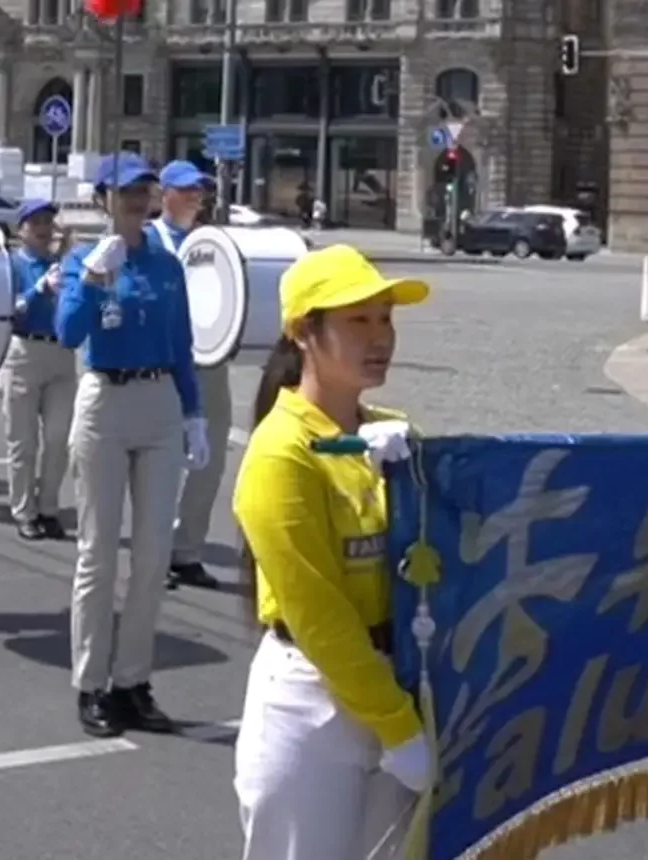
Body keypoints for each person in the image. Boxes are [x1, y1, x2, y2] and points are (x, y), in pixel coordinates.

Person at [232, 245, 433, 859]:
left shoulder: (390, 435)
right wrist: (399, 728)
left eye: (385, 319)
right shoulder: (279, 454)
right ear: (303, 333)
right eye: (358, 321)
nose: (380, 338)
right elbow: (320, 616)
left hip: (396, 677)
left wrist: (424, 475)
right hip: (311, 702)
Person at [57, 154, 211, 737]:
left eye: (142, 192)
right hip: (105, 402)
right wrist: (94, 281)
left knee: (150, 557)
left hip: (158, 401)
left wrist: (193, 411)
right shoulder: (84, 259)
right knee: (97, 554)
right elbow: (70, 332)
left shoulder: (165, 264)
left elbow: (180, 342)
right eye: (122, 193)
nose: (134, 201)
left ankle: (133, 680)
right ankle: (91, 682)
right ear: (102, 200)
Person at [155, 160, 229, 589]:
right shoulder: (151, 240)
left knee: (209, 461)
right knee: (165, 463)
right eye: (185, 190)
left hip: (207, 364)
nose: (194, 197)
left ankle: (187, 552)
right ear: (164, 194)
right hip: (165, 364)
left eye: (199, 190)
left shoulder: (213, 242)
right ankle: (156, 552)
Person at [1, 198, 77, 541]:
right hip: (23, 351)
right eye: (36, 224)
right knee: (23, 440)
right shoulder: (13, 266)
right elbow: (8, 310)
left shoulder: (62, 265)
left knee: (59, 438)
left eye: (48, 222)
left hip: (60, 352)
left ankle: (48, 506)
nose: (44, 229)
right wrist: (37, 290)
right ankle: (23, 509)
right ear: (22, 231)